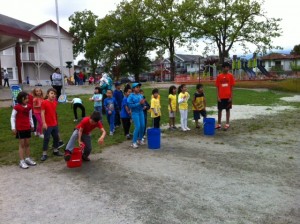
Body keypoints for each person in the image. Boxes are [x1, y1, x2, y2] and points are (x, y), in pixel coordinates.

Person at [10, 91, 36, 169]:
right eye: (26, 99)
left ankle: (27, 158)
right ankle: (22, 161)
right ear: (21, 99)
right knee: (22, 144)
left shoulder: (29, 107)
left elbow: (30, 117)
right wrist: (13, 127)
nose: (27, 100)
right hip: (20, 128)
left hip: (27, 127)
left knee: (27, 144)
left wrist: (32, 125)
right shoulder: (16, 107)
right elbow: (12, 117)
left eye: (28, 98)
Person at [40, 88, 63, 161]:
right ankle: (44, 154)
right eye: (51, 93)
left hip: (54, 124)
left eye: (54, 94)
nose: (53, 95)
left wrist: (56, 121)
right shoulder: (44, 102)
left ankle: (55, 151)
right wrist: (44, 123)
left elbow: (54, 112)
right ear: (47, 94)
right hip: (47, 124)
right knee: (46, 138)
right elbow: (42, 113)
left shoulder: (55, 102)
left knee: (56, 137)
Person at [215, 62, 235, 130]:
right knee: (219, 110)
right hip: (221, 97)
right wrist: (218, 97)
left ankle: (227, 124)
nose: (227, 68)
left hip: (228, 96)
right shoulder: (219, 76)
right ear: (223, 68)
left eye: (228, 67)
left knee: (227, 110)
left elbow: (232, 87)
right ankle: (219, 124)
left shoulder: (230, 76)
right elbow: (217, 87)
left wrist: (231, 97)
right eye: (226, 67)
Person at [127, 83, 145, 148]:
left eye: (139, 87)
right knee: (137, 126)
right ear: (133, 88)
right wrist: (139, 103)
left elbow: (142, 104)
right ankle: (133, 142)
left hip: (141, 112)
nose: (138, 88)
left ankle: (140, 139)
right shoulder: (131, 96)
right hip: (135, 113)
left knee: (142, 126)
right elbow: (130, 105)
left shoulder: (140, 95)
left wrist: (143, 104)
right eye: (137, 87)